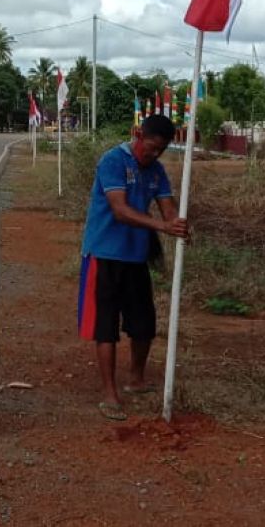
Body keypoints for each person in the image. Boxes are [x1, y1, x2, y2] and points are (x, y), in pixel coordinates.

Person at [77, 114, 189, 421]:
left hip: (135, 258)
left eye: (161, 150)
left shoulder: (156, 171)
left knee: (144, 324)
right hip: (104, 254)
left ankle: (136, 379)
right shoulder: (113, 161)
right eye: (151, 147)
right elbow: (121, 210)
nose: (153, 154)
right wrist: (163, 227)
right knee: (106, 327)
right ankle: (109, 393)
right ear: (139, 135)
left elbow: (168, 210)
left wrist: (177, 224)